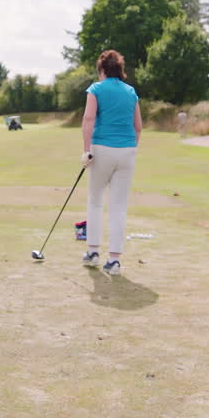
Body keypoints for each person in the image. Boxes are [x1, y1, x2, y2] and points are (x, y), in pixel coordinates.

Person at [80, 50, 142, 275]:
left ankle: (93, 252)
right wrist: (130, 148)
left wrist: (86, 151)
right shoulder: (131, 91)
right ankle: (114, 260)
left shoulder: (96, 89)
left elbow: (88, 119)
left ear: (103, 70)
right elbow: (138, 127)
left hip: (102, 149)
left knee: (95, 201)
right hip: (127, 151)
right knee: (118, 206)